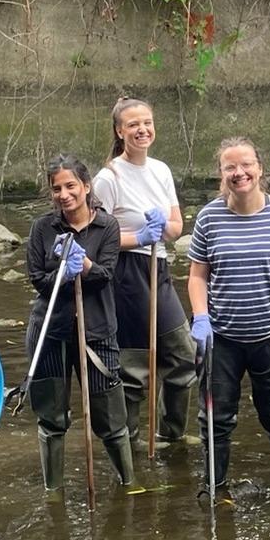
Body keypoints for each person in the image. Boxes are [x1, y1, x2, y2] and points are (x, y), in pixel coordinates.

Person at [186, 137, 270, 493]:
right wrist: (200, 316)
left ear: (260, 168)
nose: (239, 173)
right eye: (230, 167)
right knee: (216, 418)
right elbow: (197, 275)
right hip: (221, 337)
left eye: (246, 165)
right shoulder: (210, 217)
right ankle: (214, 488)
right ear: (221, 173)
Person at [91, 97, 200, 452]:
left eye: (147, 122)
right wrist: (137, 236)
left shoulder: (161, 170)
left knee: (184, 353)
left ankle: (172, 433)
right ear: (120, 131)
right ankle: (133, 442)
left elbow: (177, 225)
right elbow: (93, 236)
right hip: (126, 273)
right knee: (136, 366)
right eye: (134, 124)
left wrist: (163, 229)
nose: (142, 130)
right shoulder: (108, 178)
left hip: (159, 266)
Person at [24, 155, 133, 490]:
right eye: (56, 188)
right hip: (50, 331)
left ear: (86, 187)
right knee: (52, 419)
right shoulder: (43, 228)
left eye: (70, 185)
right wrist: (61, 270)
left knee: (110, 419)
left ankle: (129, 484)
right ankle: (52, 491)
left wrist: (83, 265)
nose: (63, 193)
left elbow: (106, 275)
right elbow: (38, 279)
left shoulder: (107, 226)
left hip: (96, 331)